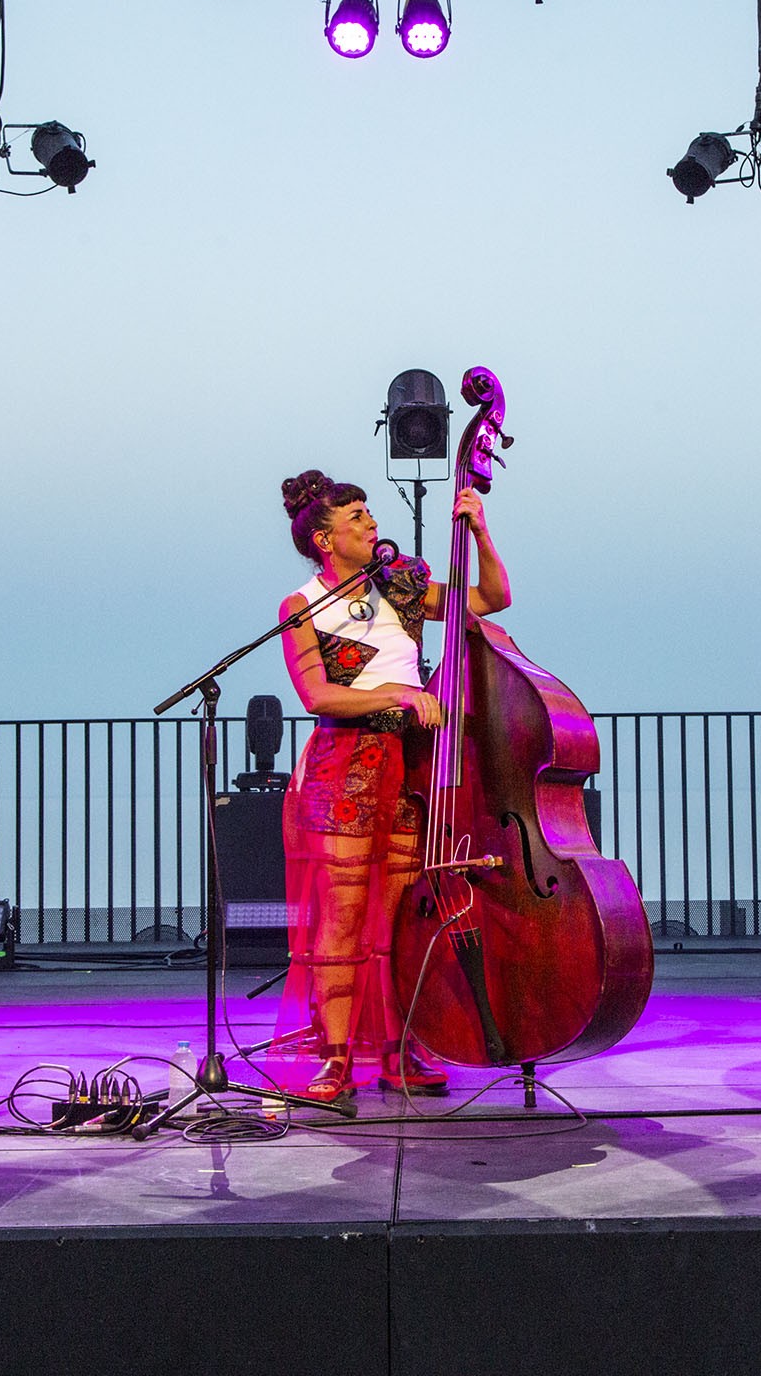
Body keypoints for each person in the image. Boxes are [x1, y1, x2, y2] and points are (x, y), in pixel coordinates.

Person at [274, 469, 510, 1104]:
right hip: (346, 766)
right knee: (344, 919)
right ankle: (334, 1058)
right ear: (326, 539)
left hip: (411, 763)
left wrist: (481, 535)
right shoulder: (301, 606)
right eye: (356, 518)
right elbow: (318, 695)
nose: (371, 523)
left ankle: (401, 1049)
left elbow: (490, 600)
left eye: (368, 513)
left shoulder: (401, 584)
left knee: (399, 918)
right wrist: (397, 693)